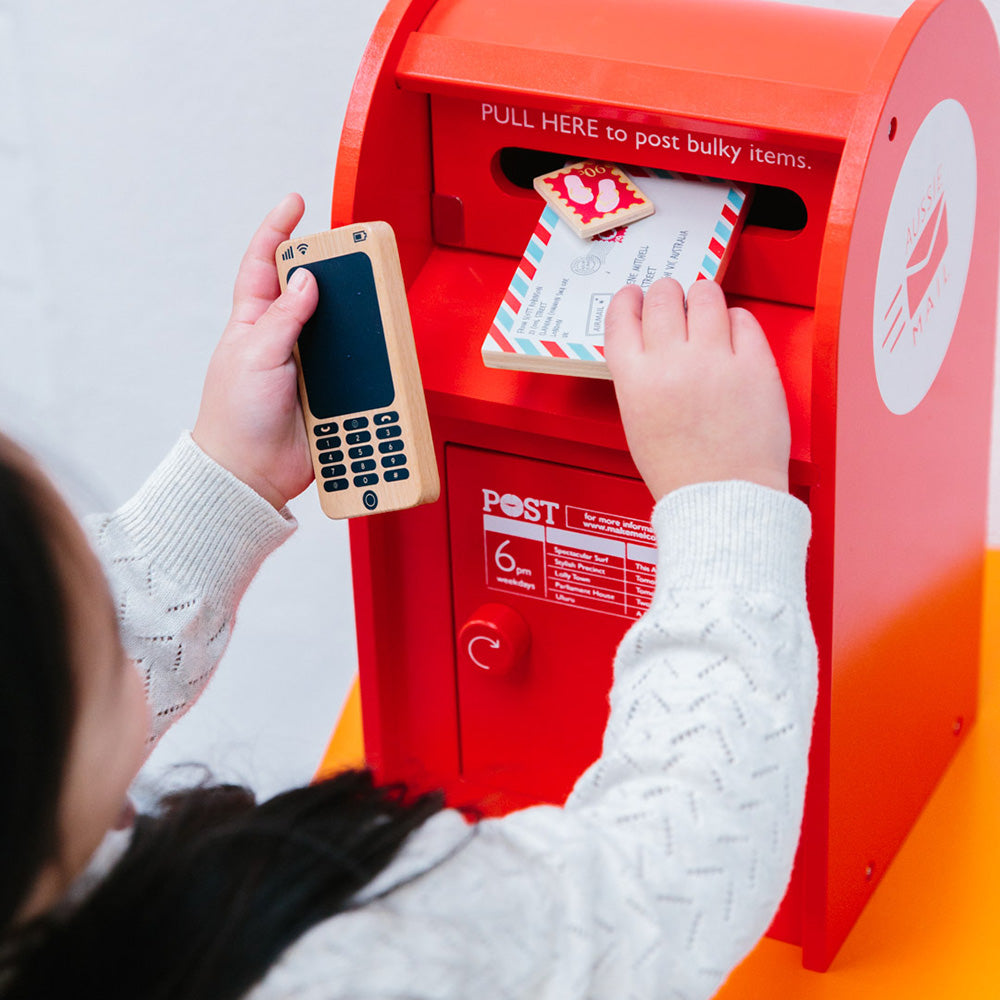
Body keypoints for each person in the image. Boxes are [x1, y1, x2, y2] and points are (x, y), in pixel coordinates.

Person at [0, 194, 816, 999]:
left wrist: (227, 476)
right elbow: (652, 900)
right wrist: (724, 496)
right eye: (97, 606)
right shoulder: (338, 958)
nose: (117, 612)